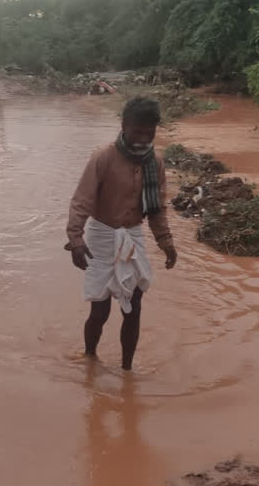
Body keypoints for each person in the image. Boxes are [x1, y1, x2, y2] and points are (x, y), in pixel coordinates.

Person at [66, 96, 177, 371]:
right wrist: (76, 239)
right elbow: (82, 200)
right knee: (100, 309)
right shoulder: (103, 157)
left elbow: (157, 209)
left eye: (149, 132)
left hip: (133, 235)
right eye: (138, 130)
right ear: (124, 124)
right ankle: (90, 356)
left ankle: (127, 369)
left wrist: (166, 242)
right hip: (102, 236)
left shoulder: (156, 163)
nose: (143, 138)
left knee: (135, 304)